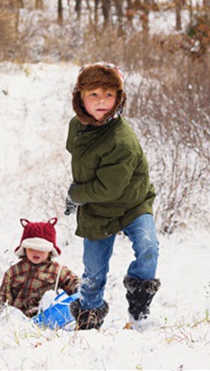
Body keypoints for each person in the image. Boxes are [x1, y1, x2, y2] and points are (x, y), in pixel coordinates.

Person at [64, 62, 161, 330]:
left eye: (109, 95)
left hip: (132, 204)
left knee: (148, 246)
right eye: (93, 94)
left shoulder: (122, 141)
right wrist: (81, 191)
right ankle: (89, 318)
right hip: (97, 209)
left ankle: (139, 303)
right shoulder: (77, 126)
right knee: (93, 272)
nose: (101, 101)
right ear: (80, 98)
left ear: (119, 99)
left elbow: (110, 189)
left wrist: (76, 193)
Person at [0, 217, 80, 319]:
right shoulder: (13, 271)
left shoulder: (56, 270)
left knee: (50, 296)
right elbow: (3, 298)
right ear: (24, 248)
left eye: (41, 249)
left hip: (45, 316)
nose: (36, 253)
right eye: (32, 248)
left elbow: (72, 281)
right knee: (13, 313)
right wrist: (2, 315)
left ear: (50, 250)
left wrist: (79, 288)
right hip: (19, 319)